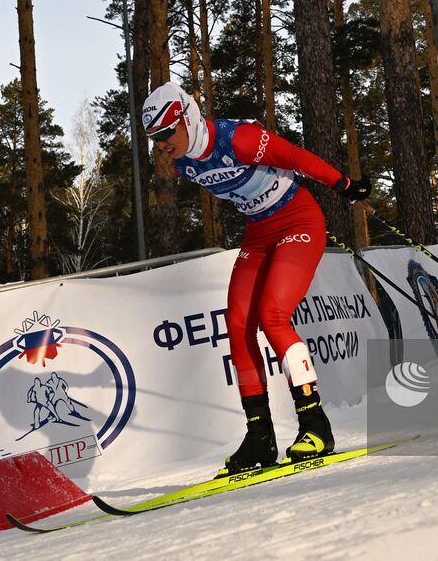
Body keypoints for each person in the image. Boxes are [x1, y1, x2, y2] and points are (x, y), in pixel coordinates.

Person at [141, 82, 370, 472]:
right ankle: (260, 436)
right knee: (237, 323)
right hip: (260, 232)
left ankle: (316, 425)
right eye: (154, 139)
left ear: (187, 117)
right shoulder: (184, 164)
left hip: (299, 220)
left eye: (165, 133)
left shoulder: (240, 140)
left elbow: (295, 157)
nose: (162, 144)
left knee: (273, 315)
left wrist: (343, 185)